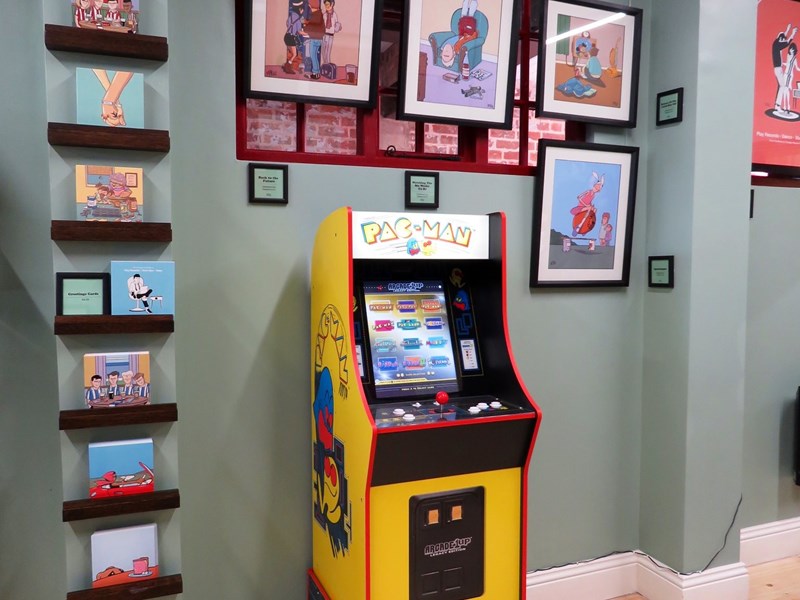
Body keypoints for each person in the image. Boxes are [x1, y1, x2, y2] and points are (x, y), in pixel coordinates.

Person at [773, 23, 798, 112]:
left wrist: (787, 29)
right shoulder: (778, 44)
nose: (783, 41)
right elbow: (787, 43)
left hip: (778, 68)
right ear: (780, 39)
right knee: (783, 86)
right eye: (782, 40)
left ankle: (777, 105)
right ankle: (778, 106)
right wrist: (793, 33)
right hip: (778, 69)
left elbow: (783, 37)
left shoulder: (776, 42)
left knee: (781, 86)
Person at [321, 0, 342, 66]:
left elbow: (336, 25)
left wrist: (337, 27)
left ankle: (327, 64)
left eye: (327, 4)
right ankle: (325, 64)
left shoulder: (334, 15)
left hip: (330, 35)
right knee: (323, 50)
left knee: (328, 51)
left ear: (332, 4)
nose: (326, 6)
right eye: (325, 5)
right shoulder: (324, 15)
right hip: (324, 35)